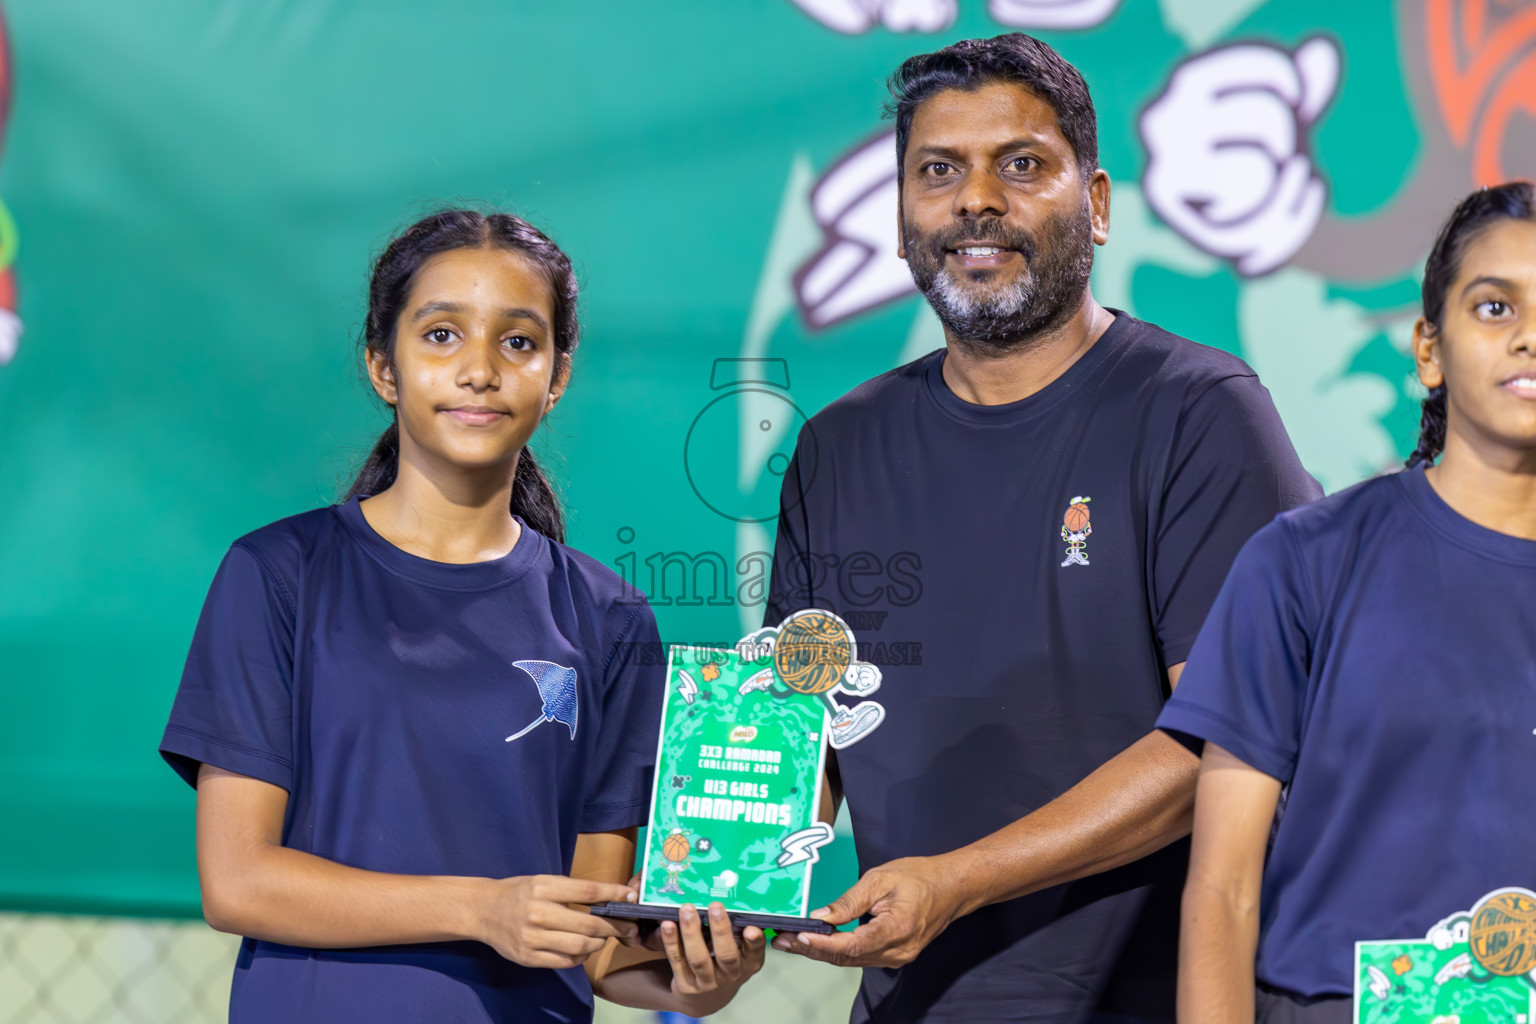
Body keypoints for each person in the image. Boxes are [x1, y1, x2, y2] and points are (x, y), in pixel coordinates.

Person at [763, 34, 1320, 1023]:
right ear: (901, 221)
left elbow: (1229, 741)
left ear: (1097, 205)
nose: (978, 200)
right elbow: (805, 740)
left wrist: (959, 879)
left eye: (1021, 165)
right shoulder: (837, 447)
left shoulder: (1198, 411)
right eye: (939, 172)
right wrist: (721, 900)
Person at [158, 210, 764, 1022]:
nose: (479, 369)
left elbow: (595, 940)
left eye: (518, 342)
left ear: (557, 377)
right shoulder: (278, 575)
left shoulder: (612, 618)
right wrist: (481, 910)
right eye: (441, 334)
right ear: (383, 365)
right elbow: (237, 882)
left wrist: (700, 981)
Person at [1161, 183, 1536, 1023]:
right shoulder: (1306, 561)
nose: (1530, 337)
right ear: (1429, 351)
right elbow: (1222, 889)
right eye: (1494, 306)